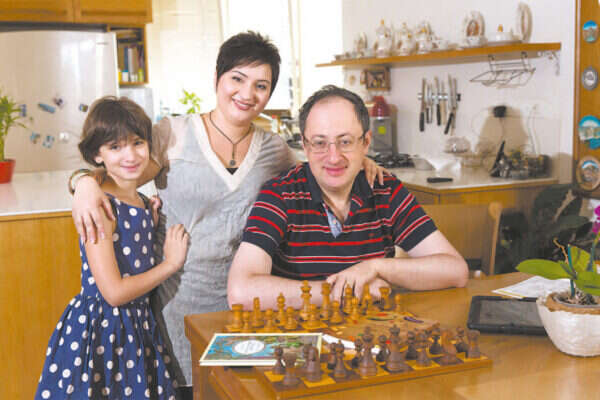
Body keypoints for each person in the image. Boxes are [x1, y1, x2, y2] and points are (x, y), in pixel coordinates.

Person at [70, 32, 385, 396]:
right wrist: (83, 182)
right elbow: (118, 177)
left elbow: (319, 171)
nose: (247, 94)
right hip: (173, 308)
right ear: (217, 78)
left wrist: (361, 159)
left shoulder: (275, 150)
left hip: (245, 310)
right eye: (237, 78)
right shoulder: (173, 134)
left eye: (261, 85)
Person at [227, 85, 469, 310]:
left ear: (366, 143)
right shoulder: (279, 195)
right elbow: (240, 291)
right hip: (299, 336)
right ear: (305, 146)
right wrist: (347, 291)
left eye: (345, 142)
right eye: (320, 143)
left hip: (372, 332)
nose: (334, 157)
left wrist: (375, 267)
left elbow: (455, 271)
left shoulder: (385, 190)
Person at [35, 97, 189, 400]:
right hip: (103, 332)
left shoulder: (140, 200)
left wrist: (148, 217)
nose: (130, 155)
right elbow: (114, 293)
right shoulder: (101, 208)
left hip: (134, 328)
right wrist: (170, 264)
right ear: (97, 154)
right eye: (115, 147)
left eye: (138, 143)